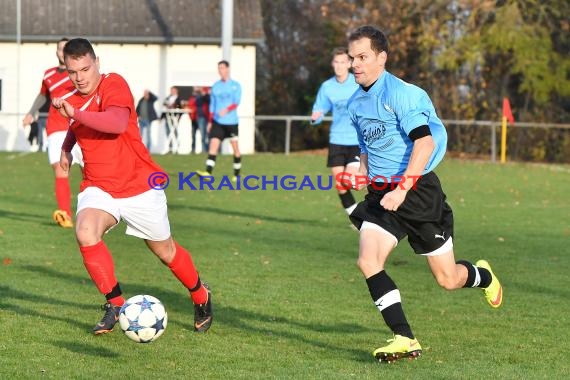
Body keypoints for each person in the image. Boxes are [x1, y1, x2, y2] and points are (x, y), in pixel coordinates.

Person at [345, 26, 503, 363]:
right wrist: (363, 170)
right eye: (352, 58)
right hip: (382, 194)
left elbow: (425, 142)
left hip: (417, 192)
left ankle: (483, 276)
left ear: (381, 58)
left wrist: (402, 190)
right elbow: (366, 145)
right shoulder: (355, 102)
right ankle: (404, 338)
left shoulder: (404, 94)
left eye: (362, 57)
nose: (355, 64)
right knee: (367, 261)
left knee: (447, 279)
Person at [51, 38, 213, 335]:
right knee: (85, 231)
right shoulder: (72, 97)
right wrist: (66, 145)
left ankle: (201, 294)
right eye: (73, 71)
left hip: (139, 185)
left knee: (166, 252)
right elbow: (79, 126)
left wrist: (73, 115)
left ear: (97, 62)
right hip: (99, 186)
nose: (80, 77)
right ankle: (115, 304)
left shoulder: (114, 84)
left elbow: (114, 122)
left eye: (85, 69)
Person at [21, 37, 82, 228]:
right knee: (60, 168)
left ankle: (97, 212)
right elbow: (42, 95)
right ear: (56, 52)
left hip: (79, 125)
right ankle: (66, 215)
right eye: (59, 49)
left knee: (88, 170)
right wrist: (31, 113)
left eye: (66, 49)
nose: (62, 52)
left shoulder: (78, 73)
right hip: (56, 128)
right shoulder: (48, 75)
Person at [311, 47, 360, 217]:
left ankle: (375, 190)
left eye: (342, 62)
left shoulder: (358, 82)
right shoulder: (327, 87)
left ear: (349, 64)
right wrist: (315, 117)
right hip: (337, 140)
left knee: (349, 180)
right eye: (336, 62)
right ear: (333, 64)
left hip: (357, 140)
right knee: (340, 184)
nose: (339, 66)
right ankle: (356, 217)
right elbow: (320, 108)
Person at [196, 61, 242, 181]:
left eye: (222, 68)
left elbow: (236, 102)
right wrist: (210, 121)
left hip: (231, 122)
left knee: (235, 148)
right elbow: (212, 105)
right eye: (219, 68)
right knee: (213, 145)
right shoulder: (216, 86)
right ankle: (208, 172)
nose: (220, 70)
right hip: (217, 122)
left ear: (227, 69)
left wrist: (226, 110)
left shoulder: (235, 85)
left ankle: (237, 174)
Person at [162, 86, 182, 153]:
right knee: (168, 132)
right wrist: (161, 117)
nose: (172, 92)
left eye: (173, 90)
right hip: (168, 117)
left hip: (175, 117)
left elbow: (180, 106)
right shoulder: (168, 98)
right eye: (171, 90)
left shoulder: (179, 98)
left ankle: (176, 147)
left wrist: (174, 106)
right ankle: (170, 147)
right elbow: (164, 105)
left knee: (175, 132)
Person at [194, 86, 210, 153]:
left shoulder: (208, 97)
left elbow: (208, 100)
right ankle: (204, 150)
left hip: (208, 117)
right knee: (203, 135)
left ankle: (209, 149)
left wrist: (206, 94)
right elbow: (198, 102)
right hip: (201, 117)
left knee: (208, 135)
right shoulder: (198, 97)